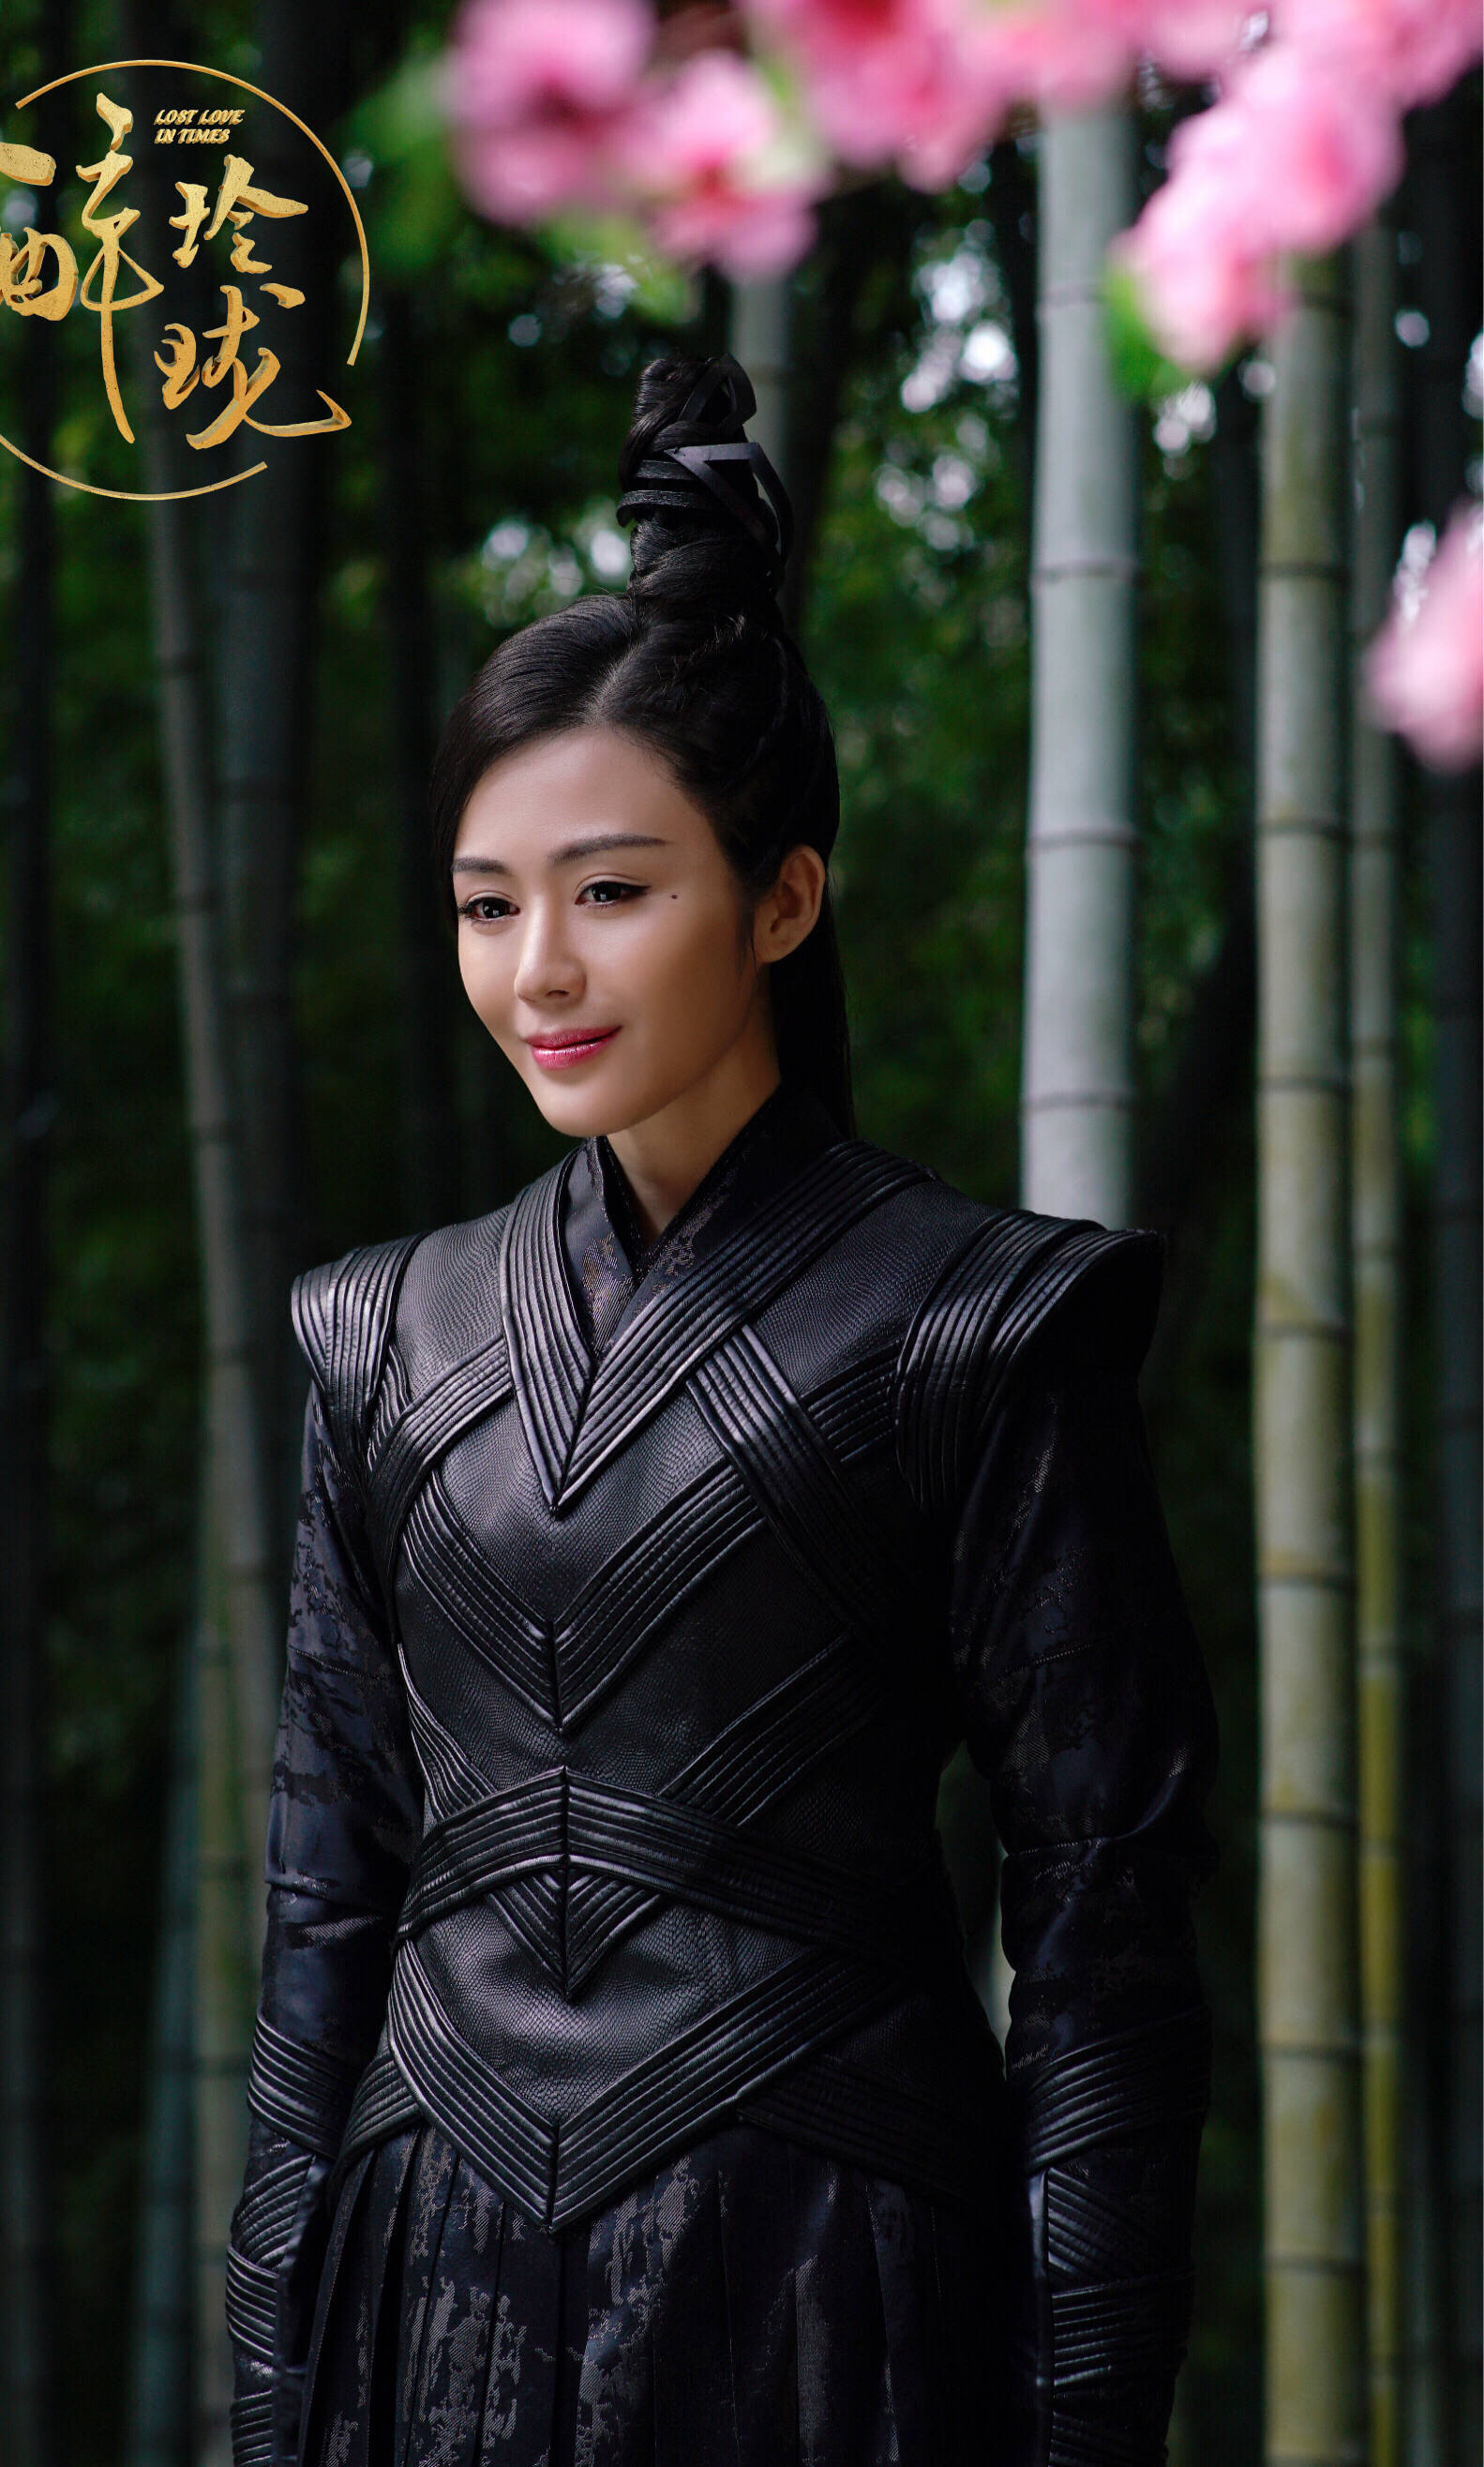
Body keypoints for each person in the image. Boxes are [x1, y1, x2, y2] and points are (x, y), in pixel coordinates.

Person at [225, 352, 1218, 2467]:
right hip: (427, 2285)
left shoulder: (977, 1327)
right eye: (487, 904)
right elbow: (323, 1908)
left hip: (828, 2289)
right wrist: (269, 2395)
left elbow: (1105, 1938)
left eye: (611, 889)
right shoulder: (381, 1337)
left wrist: (1079, 2428)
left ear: (781, 897)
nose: (538, 971)